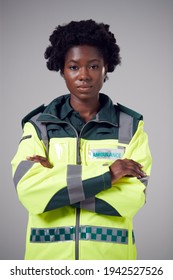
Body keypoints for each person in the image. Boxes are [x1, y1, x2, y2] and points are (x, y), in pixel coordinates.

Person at [11, 19, 152, 260]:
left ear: (106, 67)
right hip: (47, 265)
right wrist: (108, 175)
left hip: (111, 264)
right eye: (74, 67)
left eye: (94, 66)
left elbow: (131, 199)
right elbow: (28, 191)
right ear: (62, 70)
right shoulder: (39, 126)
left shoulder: (130, 127)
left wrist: (55, 190)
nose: (84, 75)